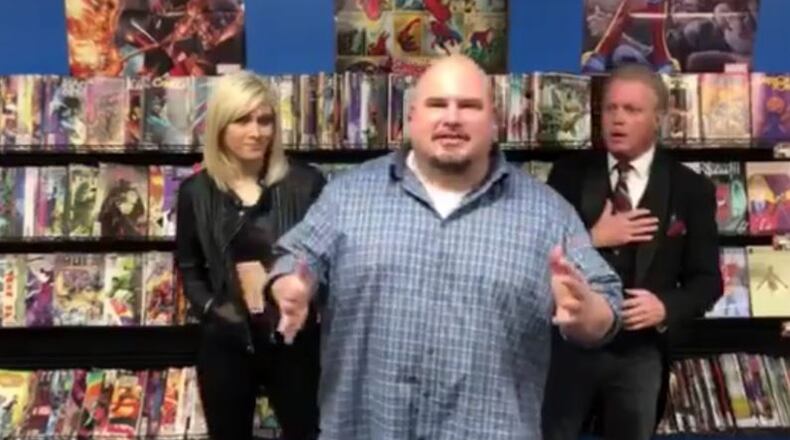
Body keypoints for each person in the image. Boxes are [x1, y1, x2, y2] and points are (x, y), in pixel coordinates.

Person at [263, 54, 623, 439]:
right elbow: (298, 259)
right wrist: (287, 286)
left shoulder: (548, 213)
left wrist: (588, 313)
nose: (452, 118)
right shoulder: (346, 197)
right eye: (438, 104)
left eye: (469, 106)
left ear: (495, 121)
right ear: (411, 118)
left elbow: (605, 304)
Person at [542, 63, 722, 440]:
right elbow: (537, 257)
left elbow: (707, 282)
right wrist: (591, 239)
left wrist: (666, 307)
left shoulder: (691, 189)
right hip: (569, 348)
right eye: (611, 109)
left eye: (632, 110)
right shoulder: (568, 175)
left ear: (658, 119)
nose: (617, 120)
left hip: (640, 353)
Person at [175, 71, 325, 440]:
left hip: (293, 343)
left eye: (265, 120)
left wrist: (307, 301)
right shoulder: (196, 192)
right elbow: (190, 267)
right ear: (220, 126)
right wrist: (212, 309)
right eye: (242, 120)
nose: (256, 132)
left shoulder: (306, 184)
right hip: (226, 343)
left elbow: (326, 258)